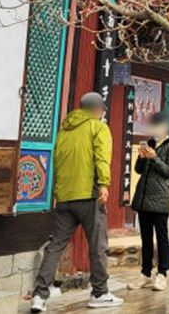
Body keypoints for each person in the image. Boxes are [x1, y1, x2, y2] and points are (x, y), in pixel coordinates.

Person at [31, 93, 122, 312]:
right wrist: (104, 184)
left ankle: (39, 295)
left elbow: (57, 163)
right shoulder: (98, 127)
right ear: (97, 109)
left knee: (55, 246)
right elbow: (102, 156)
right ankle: (99, 293)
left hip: (65, 197)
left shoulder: (64, 132)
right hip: (88, 195)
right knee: (98, 245)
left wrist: (57, 192)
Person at [128, 112, 169, 292]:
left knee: (162, 237)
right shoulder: (150, 143)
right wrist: (142, 158)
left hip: (159, 198)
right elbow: (138, 170)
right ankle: (145, 273)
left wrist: (154, 158)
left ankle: (162, 274)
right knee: (145, 238)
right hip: (143, 198)